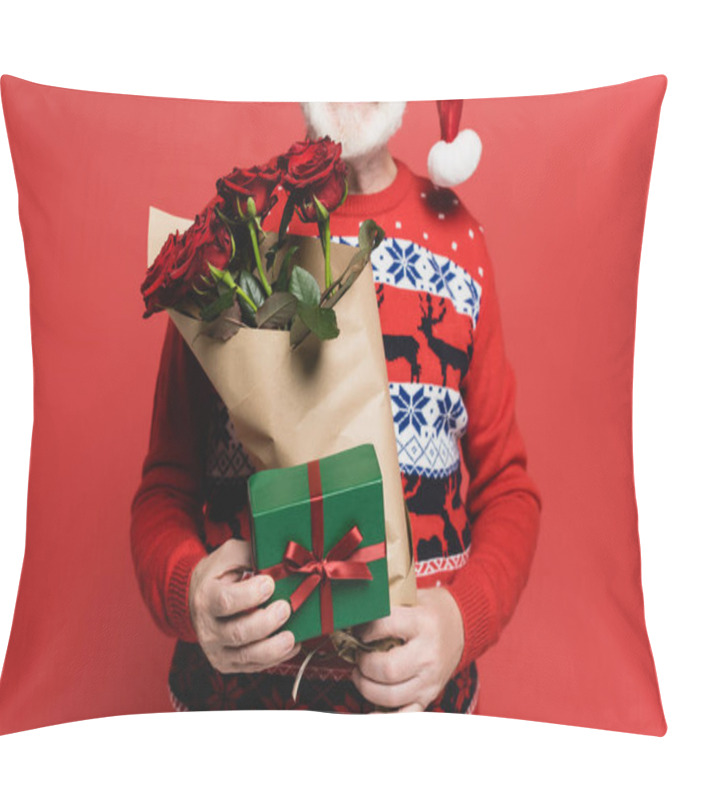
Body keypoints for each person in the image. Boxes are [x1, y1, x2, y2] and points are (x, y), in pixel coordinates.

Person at [130, 101, 541, 714]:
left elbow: (509, 489)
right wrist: (187, 590)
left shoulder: (461, 243)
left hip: (417, 719)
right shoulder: (224, 248)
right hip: (239, 716)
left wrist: (461, 620)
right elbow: (163, 487)